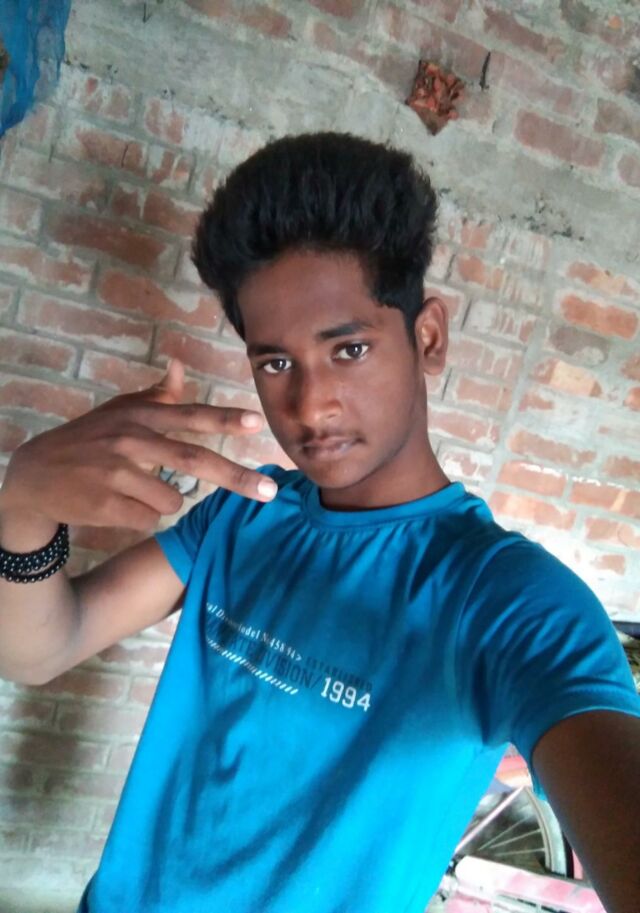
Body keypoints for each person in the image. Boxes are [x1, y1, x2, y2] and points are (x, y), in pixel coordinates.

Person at [0, 132, 639, 913]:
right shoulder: (244, 512)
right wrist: (23, 507)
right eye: (275, 363)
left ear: (428, 337)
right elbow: (39, 648)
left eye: (350, 349)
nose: (309, 405)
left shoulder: (509, 601)